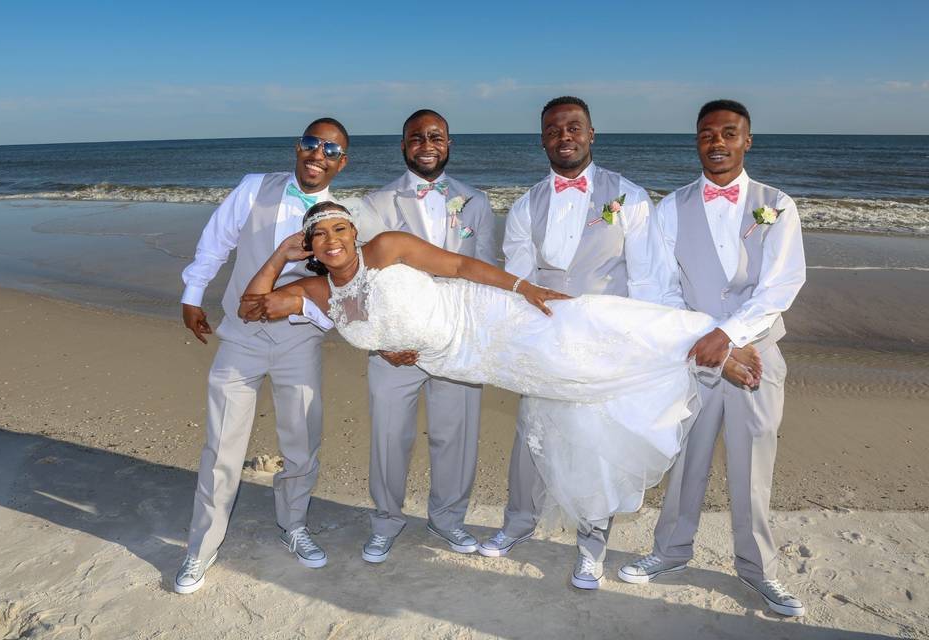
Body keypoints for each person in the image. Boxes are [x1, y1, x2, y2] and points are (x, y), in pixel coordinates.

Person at [239, 203, 763, 569]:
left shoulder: (387, 247)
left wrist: (523, 286)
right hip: (468, 361)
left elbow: (461, 264)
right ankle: (700, 357)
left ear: (355, 233)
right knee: (571, 379)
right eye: (319, 235)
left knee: (587, 328)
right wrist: (279, 257)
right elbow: (250, 306)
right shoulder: (315, 288)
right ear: (310, 245)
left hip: (489, 317)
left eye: (339, 230)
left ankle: (709, 344)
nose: (331, 241)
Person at [617, 99, 807, 618]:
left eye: (729, 133)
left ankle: (760, 572)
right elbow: (658, 286)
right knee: (685, 461)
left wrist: (731, 336)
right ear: (696, 141)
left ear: (748, 140)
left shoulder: (778, 204)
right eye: (707, 134)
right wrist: (711, 343)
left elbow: (780, 285)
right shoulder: (671, 207)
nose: (717, 142)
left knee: (752, 468)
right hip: (694, 354)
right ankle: (670, 552)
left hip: (757, 357)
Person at [489, 95, 659, 589]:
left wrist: (637, 340)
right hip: (546, 338)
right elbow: (518, 281)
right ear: (543, 138)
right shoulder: (525, 205)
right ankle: (518, 523)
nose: (564, 136)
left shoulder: (629, 196)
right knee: (532, 433)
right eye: (554, 129)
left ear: (591, 134)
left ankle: (592, 545)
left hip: (606, 340)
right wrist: (518, 341)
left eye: (574, 127)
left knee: (595, 444)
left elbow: (647, 277)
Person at [173, 118, 349, 594]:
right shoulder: (255, 188)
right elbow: (217, 241)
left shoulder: (346, 214)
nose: (319, 154)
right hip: (241, 335)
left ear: (341, 161)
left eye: (330, 149)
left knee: (301, 442)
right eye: (312, 143)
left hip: (301, 340)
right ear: (298, 147)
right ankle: (201, 547)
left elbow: (347, 286)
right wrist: (193, 294)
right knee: (221, 446)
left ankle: (293, 526)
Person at [348, 110, 496, 562]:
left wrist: (477, 340)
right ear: (403, 145)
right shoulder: (375, 204)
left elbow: (486, 275)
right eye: (417, 137)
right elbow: (358, 283)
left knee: (456, 435)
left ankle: (448, 519)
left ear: (449, 143)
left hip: (457, 343)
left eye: (436, 136)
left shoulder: (476, 202)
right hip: (395, 347)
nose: (426, 144)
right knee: (390, 438)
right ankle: (386, 521)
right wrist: (378, 342)